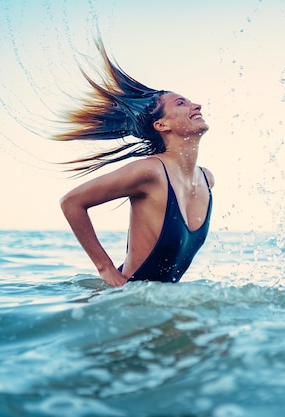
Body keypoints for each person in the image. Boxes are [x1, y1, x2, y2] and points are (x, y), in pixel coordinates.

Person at [57, 40, 214, 287]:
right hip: (125, 303)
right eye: (181, 103)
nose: (196, 105)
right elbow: (71, 202)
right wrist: (106, 269)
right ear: (162, 125)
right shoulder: (150, 171)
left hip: (157, 306)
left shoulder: (206, 179)